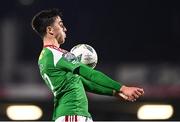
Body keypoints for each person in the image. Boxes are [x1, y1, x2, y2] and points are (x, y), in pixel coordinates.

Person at [31, 8, 144, 122]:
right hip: (73, 115)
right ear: (50, 30)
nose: (65, 29)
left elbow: (84, 83)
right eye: (61, 25)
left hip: (68, 115)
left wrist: (114, 92)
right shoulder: (56, 54)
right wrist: (123, 88)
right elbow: (89, 74)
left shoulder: (45, 57)